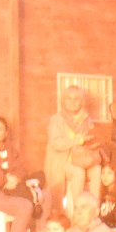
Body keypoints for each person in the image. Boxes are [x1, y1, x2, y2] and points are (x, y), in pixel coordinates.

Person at [44, 84, 103, 214]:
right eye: (69, 98)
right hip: (63, 162)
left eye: (76, 99)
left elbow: (92, 139)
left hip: (83, 159)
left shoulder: (85, 119)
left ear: (81, 102)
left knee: (97, 170)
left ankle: (94, 211)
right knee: (78, 172)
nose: (72, 102)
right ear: (63, 101)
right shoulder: (56, 120)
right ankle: (78, 212)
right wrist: (78, 141)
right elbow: (56, 143)